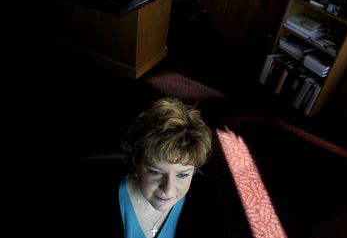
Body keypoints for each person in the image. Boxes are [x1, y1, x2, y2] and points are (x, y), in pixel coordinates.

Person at [65, 97, 231, 238]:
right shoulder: (92, 200)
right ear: (136, 161)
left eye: (182, 175)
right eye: (156, 172)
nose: (169, 189)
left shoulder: (209, 197)